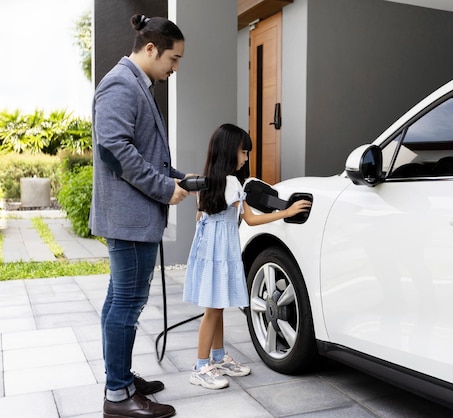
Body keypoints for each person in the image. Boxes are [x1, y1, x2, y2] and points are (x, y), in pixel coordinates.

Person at [90, 14, 190, 418]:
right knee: (127, 304)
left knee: (120, 301)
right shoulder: (120, 83)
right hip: (129, 220)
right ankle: (118, 395)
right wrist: (166, 188)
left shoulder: (136, 84)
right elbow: (114, 149)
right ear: (151, 49)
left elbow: (142, 150)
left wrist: (182, 178)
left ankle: (123, 378)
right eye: (174, 58)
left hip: (133, 218)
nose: (175, 68)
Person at [183, 123, 311, 390]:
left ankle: (217, 358)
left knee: (216, 307)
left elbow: (200, 216)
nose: (245, 158)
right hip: (220, 251)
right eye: (243, 152)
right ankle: (200, 367)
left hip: (211, 251)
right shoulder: (230, 182)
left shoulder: (209, 181)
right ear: (230, 151)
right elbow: (251, 219)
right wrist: (286, 213)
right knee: (213, 310)